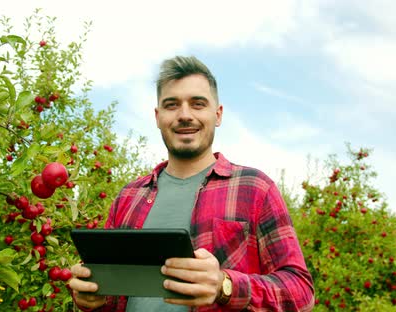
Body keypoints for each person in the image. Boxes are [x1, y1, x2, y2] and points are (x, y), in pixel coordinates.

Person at [68, 56, 315, 311]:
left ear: (217, 115)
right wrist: (89, 297)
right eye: (172, 105)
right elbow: (110, 294)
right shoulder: (129, 197)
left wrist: (225, 285)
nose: (185, 115)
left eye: (198, 104)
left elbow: (301, 292)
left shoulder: (255, 189)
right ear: (157, 116)